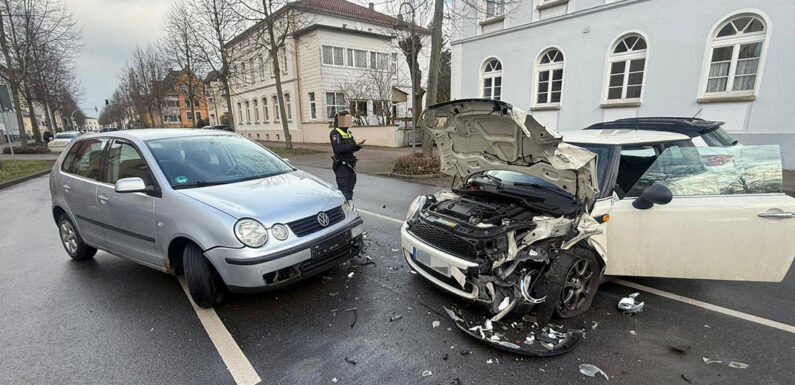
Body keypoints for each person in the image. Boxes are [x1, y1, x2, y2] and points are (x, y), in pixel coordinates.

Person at [330, 111, 364, 201]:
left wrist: (358, 146)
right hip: (342, 166)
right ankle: (344, 210)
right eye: (347, 119)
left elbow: (351, 148)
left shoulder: (348, 132)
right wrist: (354, 143)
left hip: (350, 165)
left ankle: (349, 207)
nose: (350, 121)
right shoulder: (335, 133)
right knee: (344, 191)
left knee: (350, 189)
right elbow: (338, 149)